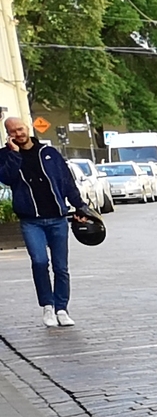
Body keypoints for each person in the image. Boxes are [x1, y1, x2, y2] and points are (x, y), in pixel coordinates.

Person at [0, 117, 80, 327]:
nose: (19, 134)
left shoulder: (49, 153)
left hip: (57, 218)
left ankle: (62, 308)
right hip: (31, 221)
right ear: (8, 134)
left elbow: (66, 181)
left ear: (27, 128)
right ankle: (47, 306)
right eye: (13, 131)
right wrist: (14, 155)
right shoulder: (5, 156)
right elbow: (7, 178)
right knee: (39, 262)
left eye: (20, 129)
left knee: (61, 267)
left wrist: (80, 206)